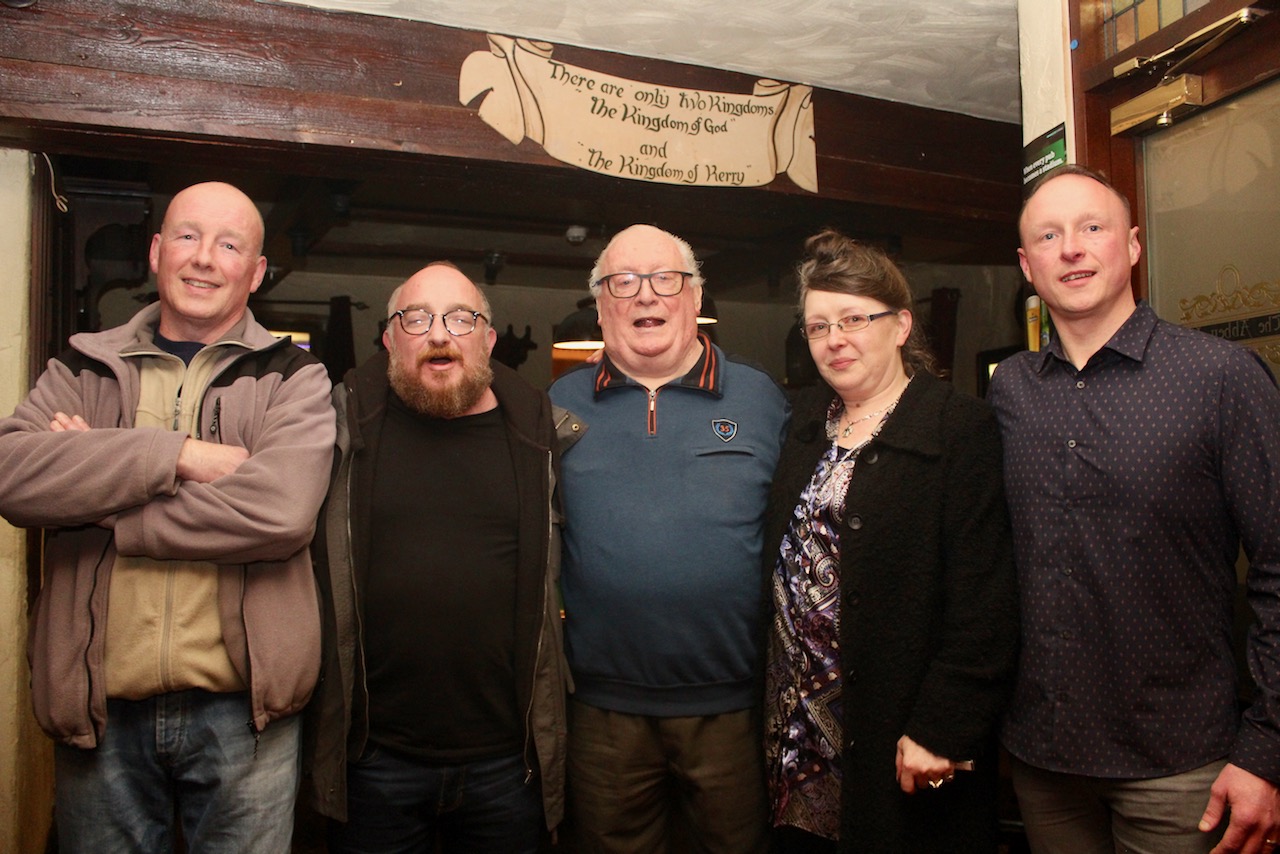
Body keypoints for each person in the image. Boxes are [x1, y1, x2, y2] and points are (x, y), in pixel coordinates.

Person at [0, 181, 336, 853]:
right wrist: (181, 455)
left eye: (229, 244)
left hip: (245, 714)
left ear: (257, 272)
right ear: (156, 252)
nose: (205, 258)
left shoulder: (293, 378)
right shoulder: (82, 364)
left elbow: (282, 512)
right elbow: (14, 476)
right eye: (187, 236)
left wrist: (103, 498)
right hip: (100, 705)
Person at [991, 164, 1280, 854]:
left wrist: (1267, 750)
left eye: (1093, 227)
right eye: (1050, 236)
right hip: (1043, 760)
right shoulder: (1010, 393)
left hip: (1182, 766)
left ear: (1133, 245)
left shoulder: (1220, 379)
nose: (1073, 248)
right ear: (1028, 266)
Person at [762, 229, 1018, 852]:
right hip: (796, 739)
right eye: (818, 327)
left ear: (901, 325)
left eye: (854, 318)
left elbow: (986, 602)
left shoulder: (960, 429)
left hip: (901, 740)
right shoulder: (801, 427)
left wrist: (942, 727)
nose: (835, 339)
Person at [303, 261, 572, 853]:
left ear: (489, 340)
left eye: (460, 317)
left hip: (508, 764)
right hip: (376, 762)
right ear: (390, 337)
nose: (439, 333)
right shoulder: (338, 428)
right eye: (417, 318)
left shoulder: (538, 435)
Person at [547, 224, 788, 853]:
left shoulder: (763, 400)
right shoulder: (556, 406)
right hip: (601, 709)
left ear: (695, 297)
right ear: (600, 307)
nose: (645, 297)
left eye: (665, 280)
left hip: (733, 705)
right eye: (622, 283)